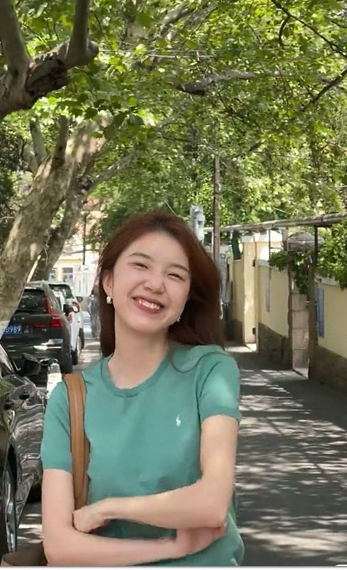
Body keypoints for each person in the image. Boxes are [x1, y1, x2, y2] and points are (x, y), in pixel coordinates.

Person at [40, 211, 244, 566]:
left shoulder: (210, 371)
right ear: (108, 282)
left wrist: (109, 508)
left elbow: (212, 504)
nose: (156, 284)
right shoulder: (71, 398)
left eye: (175, 275)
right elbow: (59, 547)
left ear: (186, 298)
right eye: (141, 265)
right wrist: (171, 548)